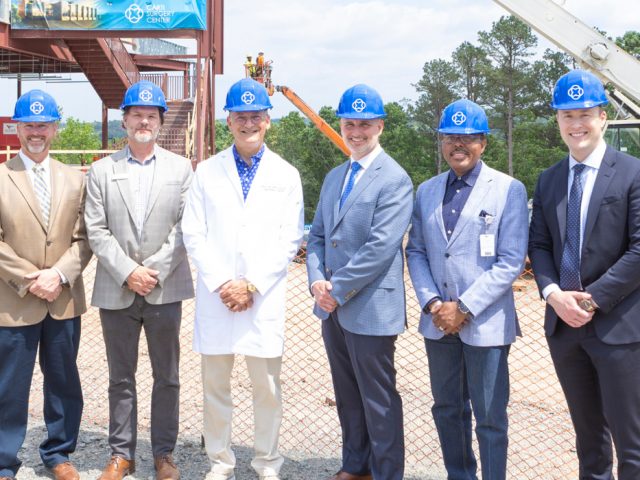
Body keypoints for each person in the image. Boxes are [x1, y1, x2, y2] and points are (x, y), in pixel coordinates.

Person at [181, 78, 304, 480]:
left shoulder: (285, 174)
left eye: (256, 116)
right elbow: (193, 233)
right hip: (218, 296)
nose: (248, 123)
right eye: (240, 117)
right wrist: (223, 284)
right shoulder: (206, 172)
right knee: (215, 388)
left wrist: (250, 283)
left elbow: (290, 238)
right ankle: (220, 462)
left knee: (266, 388)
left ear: (268, 121)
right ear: (228, 122)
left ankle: (267, 462)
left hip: (261, 297)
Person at [406, 99, 528, 480]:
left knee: (490, 416)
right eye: (450, 138)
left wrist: (464, 307)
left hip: (486, 323)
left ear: (484, 143)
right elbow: (418, 250)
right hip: (437, 321)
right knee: (447, 409)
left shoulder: (508, 189)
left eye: (468, 138)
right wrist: (432, 303)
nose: (458, 145)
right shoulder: (426, 190)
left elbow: (510, 261)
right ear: (441, 142)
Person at [529, 69, 640, 479]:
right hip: (565, 327)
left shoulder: (632, 173)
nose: (576, 125)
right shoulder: (549, 180)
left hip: (619, 329)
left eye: (584, 114)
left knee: (632, 442)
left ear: (603, 117)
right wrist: (554, 294)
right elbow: (539, 246)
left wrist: (590, 300)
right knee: (588, 440)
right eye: (566, 116)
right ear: (557, 121)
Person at [84, 81, 194, 480]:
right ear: (124, 120)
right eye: (136, 114)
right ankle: (120, 455)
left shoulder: (181, 169)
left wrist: (154, 271)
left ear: (160, 122)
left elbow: (185, 228)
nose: (143, 121)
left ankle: (164, 455)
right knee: (120, 376)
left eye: (151, 115)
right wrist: (128, 272)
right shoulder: (101, 170)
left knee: (167, 376)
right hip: (117, 288)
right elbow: (96, 230)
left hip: (165, 289)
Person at [306, 84, 413, 480]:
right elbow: (317, 236)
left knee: (378, 399)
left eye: (365, 125)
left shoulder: (395, 179)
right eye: (350, 124)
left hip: (368, 306)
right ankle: (356, 465)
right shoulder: (336, 176)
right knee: (348, 395)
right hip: (332, 306)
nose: (356, 132)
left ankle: (387, 473)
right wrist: (317, 280)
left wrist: (335, 289)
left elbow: (381, 247)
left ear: (380, 126)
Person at [0, 90, 92, 480]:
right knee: (9, 386)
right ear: (16, 128)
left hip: (63, 297)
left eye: (43, 125)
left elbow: (85, 237)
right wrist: (30, 277)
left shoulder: (75, 179)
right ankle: (4, 459)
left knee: (63, 381)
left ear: (55, 128)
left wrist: (58, 275)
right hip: (14, 299)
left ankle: (58, 454)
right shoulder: (2, 177)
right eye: (29, 125)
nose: (36, 132)